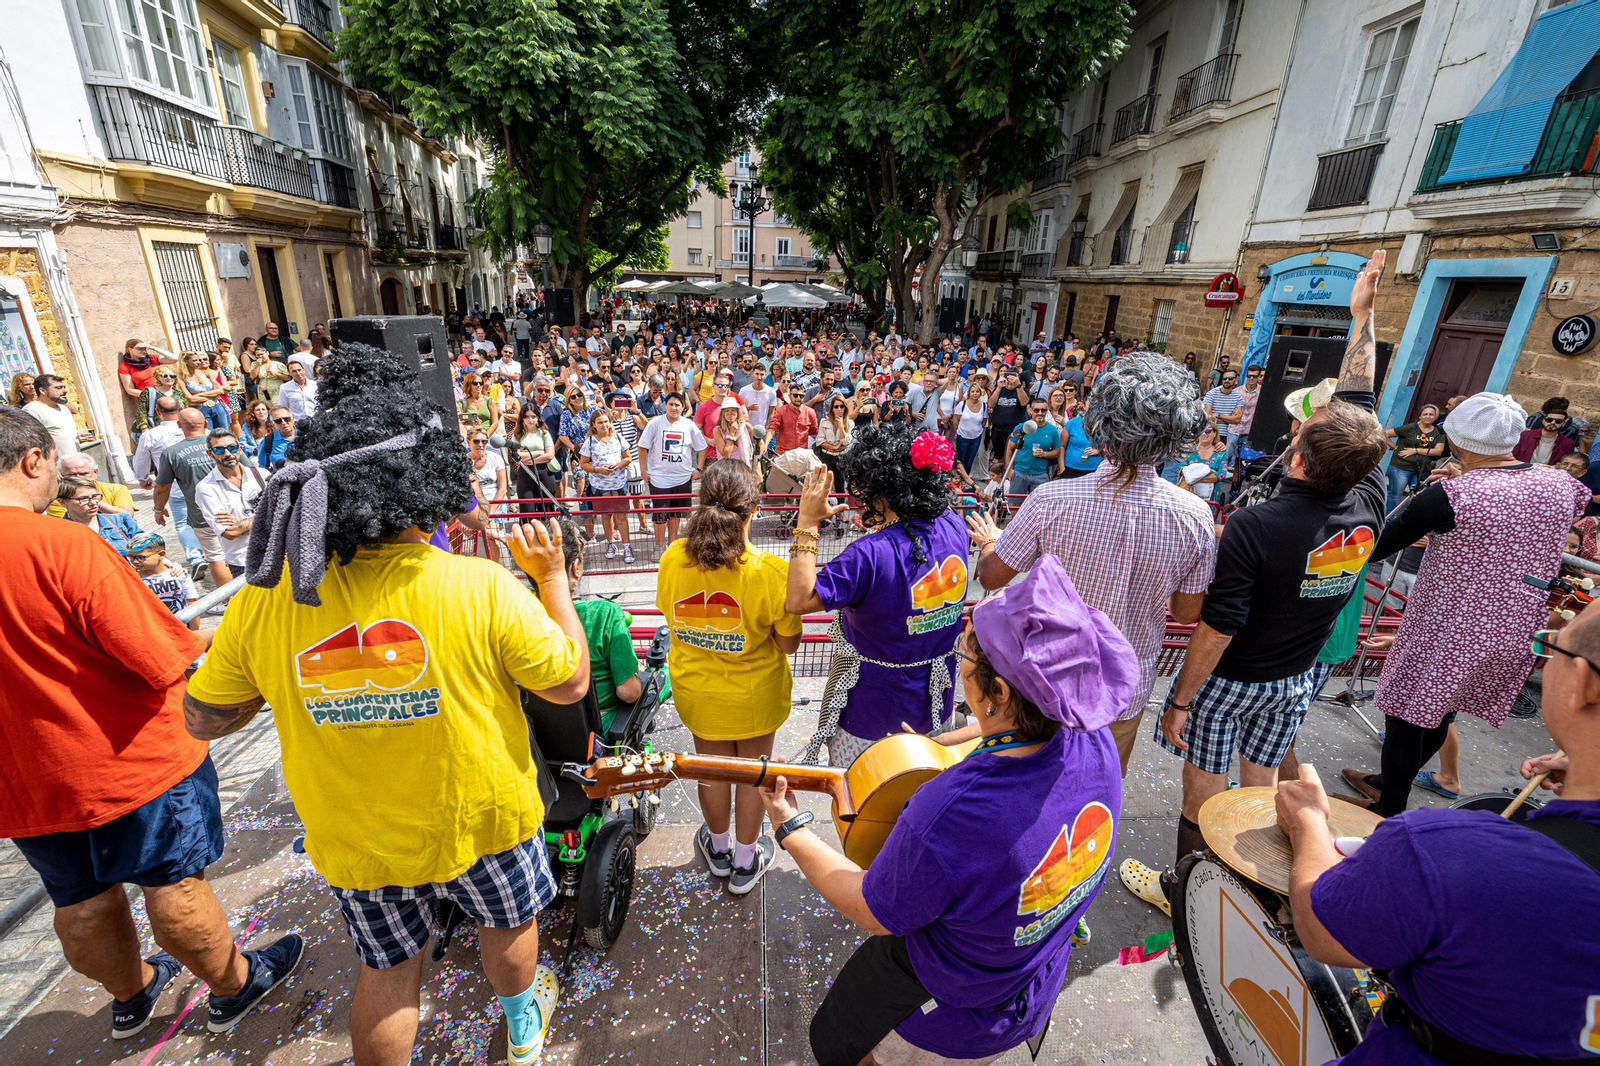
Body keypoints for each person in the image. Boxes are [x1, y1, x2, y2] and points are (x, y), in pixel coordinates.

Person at [185, 343, 589, 1066]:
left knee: (390, 969)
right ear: (430, 476)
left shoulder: (264, 600)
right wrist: (553, 578)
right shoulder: (481, 586)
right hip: (484, 817)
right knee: (507, 927)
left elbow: (204, 718)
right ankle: (522, 1027)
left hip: (356, 833)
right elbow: (568, 685)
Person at [0, 407, 299, 1041]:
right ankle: (234, 987)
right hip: (131, 762)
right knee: (174, 883)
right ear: (32, 461)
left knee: (78, 900)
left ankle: (131, 995)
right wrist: (216, 637)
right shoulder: (63, 545)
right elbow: (156, 656)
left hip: (24, 782)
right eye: (55, 462)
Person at [764, 557, 1135, 1066]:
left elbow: (872, 911)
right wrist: (938, 746)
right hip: (1032, 968)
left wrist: (790, 827)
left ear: (998, 692)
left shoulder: (949, 811)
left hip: (952, 1006)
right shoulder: (1092, 741)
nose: (959, 667)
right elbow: (1001, 736)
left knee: (837, 1038)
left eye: (963, 657)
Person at [1120, 253, 1391, 914]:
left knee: (1202, 791)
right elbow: (1361, 397)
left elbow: (1219, 625)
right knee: (1261, 783)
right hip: (1299, 676)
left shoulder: (1256, 526)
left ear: (1296, 457)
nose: (1300, 422)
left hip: (1235, 680)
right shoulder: (1371, 493)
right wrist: (1363, 316)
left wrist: (1181, 700)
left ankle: (1186, 893)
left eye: (1303, 427)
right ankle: (1254, 886)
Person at [1272, 599, 1600, 1064]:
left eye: (1552, 649)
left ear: (1584, 683)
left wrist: (1307, 823)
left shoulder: (1445, 852)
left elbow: (1324, 933)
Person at [1341, 391, 1589, 817]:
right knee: (1443, 711)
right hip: (1514, 627)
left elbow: (1375, 545)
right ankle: (1388, 782)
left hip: (1450, 625)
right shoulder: (1560, 483)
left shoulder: (1453, 496)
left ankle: (1388, 809)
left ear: (1457, 440)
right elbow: (1523, 502)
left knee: (1406, 714)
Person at [970, 354, 1213, 780]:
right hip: (1124, 694)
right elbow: (1188, 613)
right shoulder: (1195, 516)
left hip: (1045, 689)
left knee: (1029, 797)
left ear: (1102, 423)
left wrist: (990, 541)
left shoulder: (1051, 500)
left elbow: (991, 576)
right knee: (1096, 803)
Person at [785, 424, 971, 767]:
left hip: (871, 718)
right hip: (935, 709)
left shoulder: (869, 554)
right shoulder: (954, 524)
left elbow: (798, 600)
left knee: (863, 812)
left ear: (883, 490)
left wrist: (808, 522)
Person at [657, 460, 802, 895]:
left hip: (698, 694)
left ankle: (718, 851)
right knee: (753, 776)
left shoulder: (670, 560)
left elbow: (670, 616)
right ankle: (745, 860)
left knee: (713, 774)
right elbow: (787, 644)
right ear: (753, 509)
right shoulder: (770, 572)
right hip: (755, 697)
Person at [533, 516, 643, 733]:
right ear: (575, 567)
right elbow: (629, 692)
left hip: (542, 735)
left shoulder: (517, 614)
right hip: (600, 731)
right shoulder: (605, 614)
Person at [155, 409, 233, 590]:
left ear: (179, 425)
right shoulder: (226, 444)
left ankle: (229, 601)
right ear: (206, 423)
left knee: (216, 557)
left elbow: (162, 487)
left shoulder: (172, 453)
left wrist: (159, 510)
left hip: (202, 515)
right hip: (234, 511)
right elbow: (246, 469)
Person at [638, 392, 706, 549]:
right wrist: (643, 469)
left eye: (677, 405)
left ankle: (672, 547)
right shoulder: (655, 423)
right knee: (660, 516)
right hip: (659, 478)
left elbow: (702, 448)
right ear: (665, 406)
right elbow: (642, 446)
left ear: (683, 407)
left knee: (676, 516)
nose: (674, 408)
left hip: (682, 478)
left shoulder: (689, 425)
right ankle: (658, 547)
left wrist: (698, 469)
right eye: (671, 404)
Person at [194, 429, 263, 579]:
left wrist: (242, 523)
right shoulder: (206, 488)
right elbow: (230, 532)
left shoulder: (261, 475)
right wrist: (265, 515)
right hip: (243, 562)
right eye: (219, 449)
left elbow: (284, 513)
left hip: (278, 554)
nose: (227, 454)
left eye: (231, 448)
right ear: (209, 454)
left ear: (239, 449)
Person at [579, 408, 634, 561]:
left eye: (606, 422)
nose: (604, 425)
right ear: (593, 425)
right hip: (600, 485)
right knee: (606, 516)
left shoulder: (618, 438)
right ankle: (610, 543)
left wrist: (618, 465)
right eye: (600, 422)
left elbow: (628, 458)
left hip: (618, 483)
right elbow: (583, 463)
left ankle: (627, 547)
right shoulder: (589, 441)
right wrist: (598, 469)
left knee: (621, 516)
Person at [127, 530, 202, 634]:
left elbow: (192, 605)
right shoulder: (133, 580)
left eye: (141, 557)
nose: (135, 561)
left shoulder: (180, 575)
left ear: (161, 554)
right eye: (131, 557)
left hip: (183, 631)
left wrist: (195, 633)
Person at [55, 475, 143, 556]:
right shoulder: (59, 535)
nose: (93, 503)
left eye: (95, 497)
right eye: (84, 499)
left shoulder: (121, 521)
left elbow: (147, 551)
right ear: (62, 502)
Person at [1384, 403, 1446, 513]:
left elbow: (1438, 451)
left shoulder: (1438, 432)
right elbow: (1384, 434)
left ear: (1435, 416)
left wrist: (1414, 450)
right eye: (1425, 414)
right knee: (1395, 496)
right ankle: (1388, 520)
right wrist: (1394, 447)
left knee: (1417, 497)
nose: (1428, 416)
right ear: (1420, 416)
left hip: (1421, 470)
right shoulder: (1410, 428)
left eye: (1431, 414)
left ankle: (1405, 519)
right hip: (1401, 467)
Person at [43, 452, 134, 519]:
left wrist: (94, 501)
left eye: (83, 474)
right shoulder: (58, 498)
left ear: (95, 472)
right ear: (61, 476)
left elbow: (128, 515)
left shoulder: (116, 489)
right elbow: (65, 525)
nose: (78, 478)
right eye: (71, 475)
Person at [1005, 399, 1062, 498]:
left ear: (1047, 410)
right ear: (1031, 410)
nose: (1040, 413)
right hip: (1019, 472)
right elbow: (1009, 449)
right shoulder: (1022, 427)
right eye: (1036, 410)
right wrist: (1009, 471)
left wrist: (1044, 454)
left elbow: (1057, 452)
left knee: (1039, 505)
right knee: (1015, 504)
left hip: (1040, 474)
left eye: (1043, 410)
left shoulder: (1052, 430)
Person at [24, 373, 80, 459]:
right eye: (58, 388)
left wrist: (80, 436)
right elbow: (29, 444)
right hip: (54, 468)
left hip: (74, 463)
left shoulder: (64, 409)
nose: (64, 391)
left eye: (64, 387)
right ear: (43, 391)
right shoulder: (32, 411)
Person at [179, 350, 230, 431]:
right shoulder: (182, 378)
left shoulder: (205, 373)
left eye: (199, 360)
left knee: (223, 433)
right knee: (207, 434)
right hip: (200, 408)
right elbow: (190, 399)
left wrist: (197, 395)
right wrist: (212, 394)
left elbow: (220, 391)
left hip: (217, 405)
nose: (198, 362)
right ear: (185, 361)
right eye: (194, 360)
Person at [1177, 423, 1229, 501]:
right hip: (1188, 494)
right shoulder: (1188, 450)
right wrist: (1208, 473)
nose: (1204, 433)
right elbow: (1179, 469)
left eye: (1208, 431)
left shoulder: (1221, 453)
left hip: (1210, 497)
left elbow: (1221, 474)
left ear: (1215, 433)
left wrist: (1191, 476)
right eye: (1201, 430)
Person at [1513, 405, 1577, 465]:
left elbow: (1564, 464)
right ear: (1543, 420)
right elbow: (1513, 456)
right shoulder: (1525, 435)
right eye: (1549, 419)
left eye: (1558, 421)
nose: (1552, 422)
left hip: (1549, 474)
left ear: (1563, 423)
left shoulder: (1568, 444)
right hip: (1522, 472)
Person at [769, 382, 820, 454]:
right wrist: (765, 445)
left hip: (802, 454)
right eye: (795, 395)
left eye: (801, 396)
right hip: (784, 453)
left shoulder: (810, 412)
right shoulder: (781, 411)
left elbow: (813, 431)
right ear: (789, 396)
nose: (798, 398)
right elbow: (772, 428)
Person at [952, 378, 988, 477]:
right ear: (969, 393)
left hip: (976, 437)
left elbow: (984, 422)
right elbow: (955, 420)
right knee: (961, 460)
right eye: (972, 391)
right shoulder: (962, 404)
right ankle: (958, 479)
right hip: (962, 436)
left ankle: (965, 479)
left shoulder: (984, 406)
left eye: (977, 391)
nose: (975, 393)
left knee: (970, 460)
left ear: (980, 393)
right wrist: (958, 431)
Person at [815, 395, 852, 488]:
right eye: (836, 406)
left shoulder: (850, 423)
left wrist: (841, 426)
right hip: (826, 456)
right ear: (832, 409)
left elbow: (846, 441)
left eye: (842, 406)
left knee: (841, 485)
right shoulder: (824, 422)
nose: (839, 409)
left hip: (842, 456)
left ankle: (841, 502)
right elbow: (819, 441)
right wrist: (834, 447)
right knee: (824, 484)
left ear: (845, 408)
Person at [1057, 404, 1102, 478]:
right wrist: (1062, 469)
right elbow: (1062, 446)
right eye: (1090, 405)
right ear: (1084, 406)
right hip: (1071, 469)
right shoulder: (1073, 422)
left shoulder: (1105, 424)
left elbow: (1113, 449)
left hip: (1096, 469)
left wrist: (1099, 451)